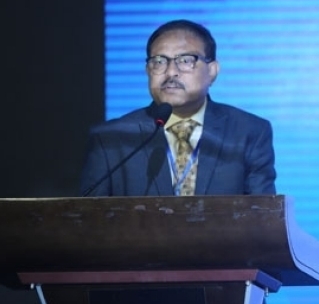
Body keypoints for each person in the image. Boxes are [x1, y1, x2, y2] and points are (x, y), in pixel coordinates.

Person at [79, 19, 277, 197]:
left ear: (212, 70)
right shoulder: (110, 138)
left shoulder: (249, 132)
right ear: (148, 70)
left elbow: (263, 219)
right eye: (159, 62)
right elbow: (89, 222)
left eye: (185, 61)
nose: (171, 72)